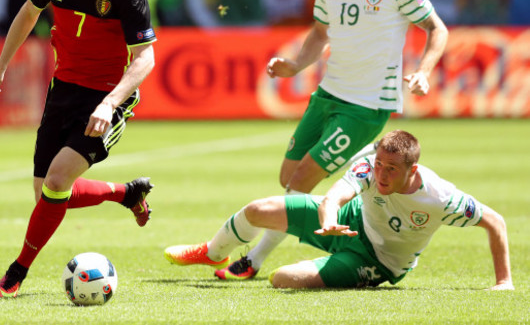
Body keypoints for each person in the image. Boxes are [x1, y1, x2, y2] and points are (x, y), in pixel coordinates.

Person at [212, 0, 449, 281]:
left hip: (367, 105)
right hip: (329, 93)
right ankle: (343, 215)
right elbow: (320, 33)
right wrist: (294, 66)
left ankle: (252, 261)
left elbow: (437, 29)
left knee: (300, 180)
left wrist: (423, 71)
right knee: (288, 177)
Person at [0, 0, 157, 298]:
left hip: (107, 95)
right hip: (63, 88)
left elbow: (146, 57)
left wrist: (110, 103)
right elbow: (29, 12)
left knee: (58, 182)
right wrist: (0, 68)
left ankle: (15, 274)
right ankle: (126, 193)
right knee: (47, 192)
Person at [165, 130, 514, 291]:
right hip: (347, 222)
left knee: (283, 279)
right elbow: (333, 197)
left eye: (392, 169)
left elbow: (494, 221)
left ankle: (262, 265)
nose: (381, 174)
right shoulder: (369, 170)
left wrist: (504, 283)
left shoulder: (440, 197)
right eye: (379, 164)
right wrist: (330, 222)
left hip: (380, 261)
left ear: (413, 171)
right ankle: (212, 253)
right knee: (258, 209)